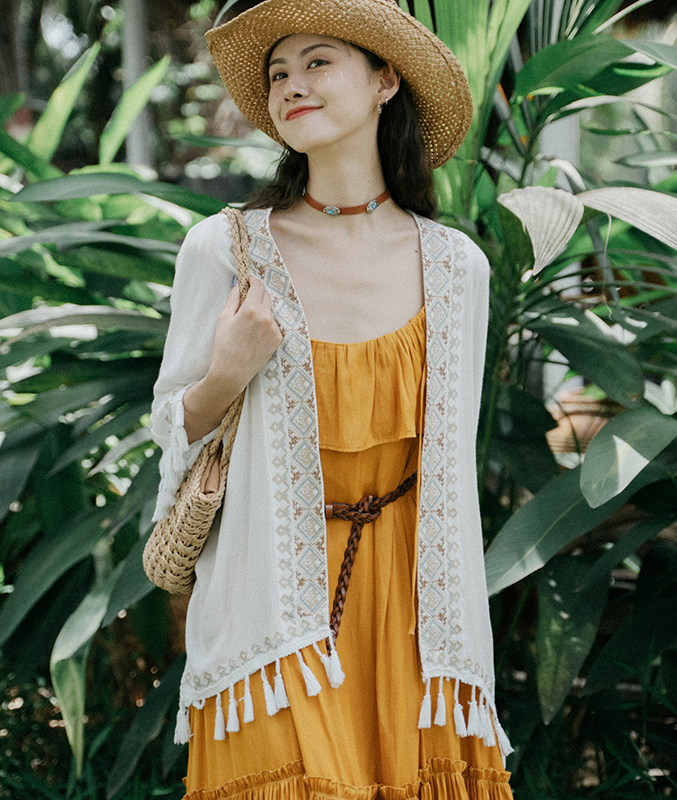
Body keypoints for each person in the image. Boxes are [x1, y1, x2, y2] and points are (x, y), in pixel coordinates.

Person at [150, 0, 513, 797]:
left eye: (318, 63)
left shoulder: (458, 268)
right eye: (279, 72)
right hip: (274, 600)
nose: (291, 85)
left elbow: (451, 468)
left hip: (416, 615)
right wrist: (228, 370)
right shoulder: (228, 247)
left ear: (385, 80)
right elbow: (172, 425)